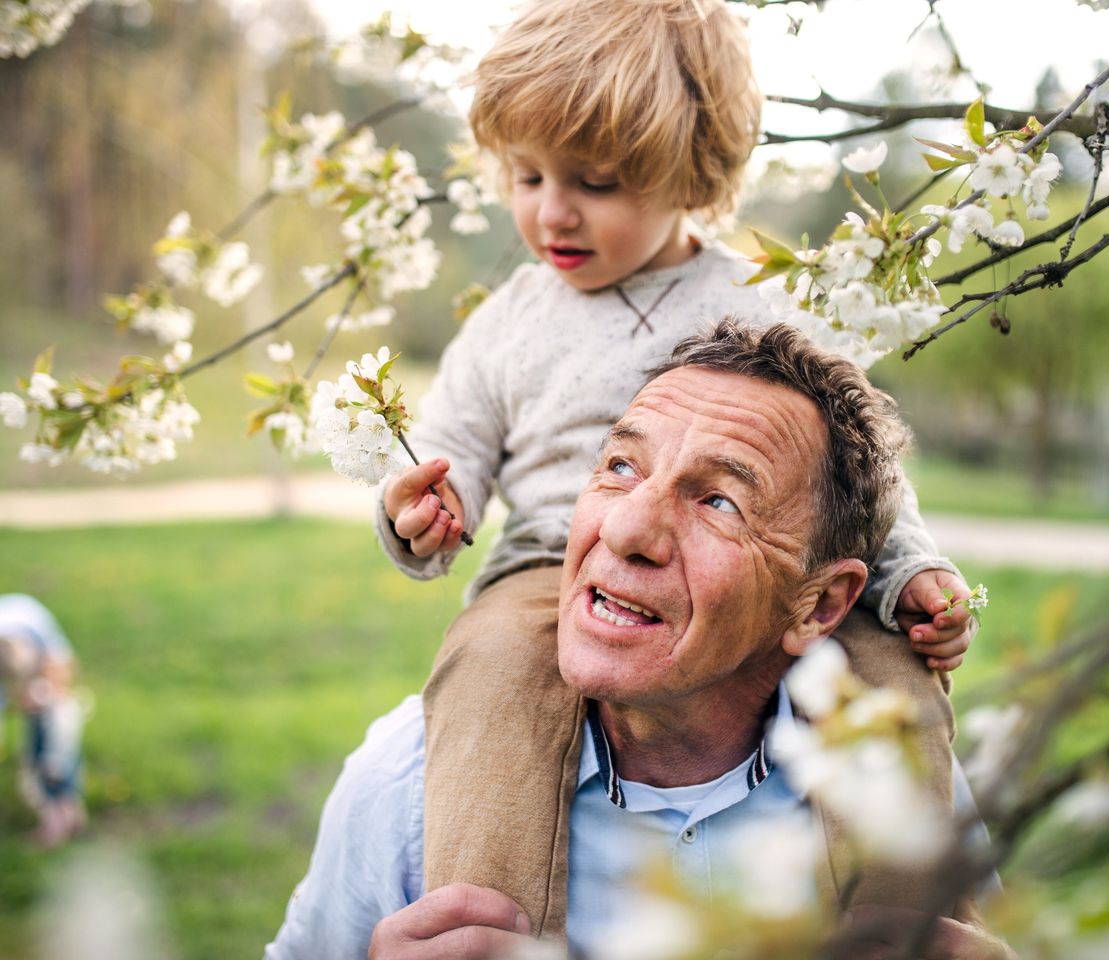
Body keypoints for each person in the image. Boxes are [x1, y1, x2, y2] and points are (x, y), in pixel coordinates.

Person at [374, 0, 976, 919]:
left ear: (691, 173)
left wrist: (912, 574)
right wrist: (417, 513)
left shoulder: (763, 300)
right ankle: (481, 922)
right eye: (526, 176)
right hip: (551, 568)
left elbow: (860, 478)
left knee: (893, 677)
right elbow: (447, 452)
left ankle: (913, 926)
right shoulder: (509, 322)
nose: (552, 212)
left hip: (762, 572)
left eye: (597, 183)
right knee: (490, 667)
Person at [270, 321, 1008, 959]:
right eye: (621, 466)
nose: (624, 531)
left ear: (820, 605)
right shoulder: (409, 781)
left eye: (720, 500)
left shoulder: (901, 795)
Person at [0, 593, 86, 848]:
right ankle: (59, 812)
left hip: (42, 672)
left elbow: (65, 670)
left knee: (54, 748)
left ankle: (62, 814)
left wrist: (47, 693)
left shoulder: (41, 631)